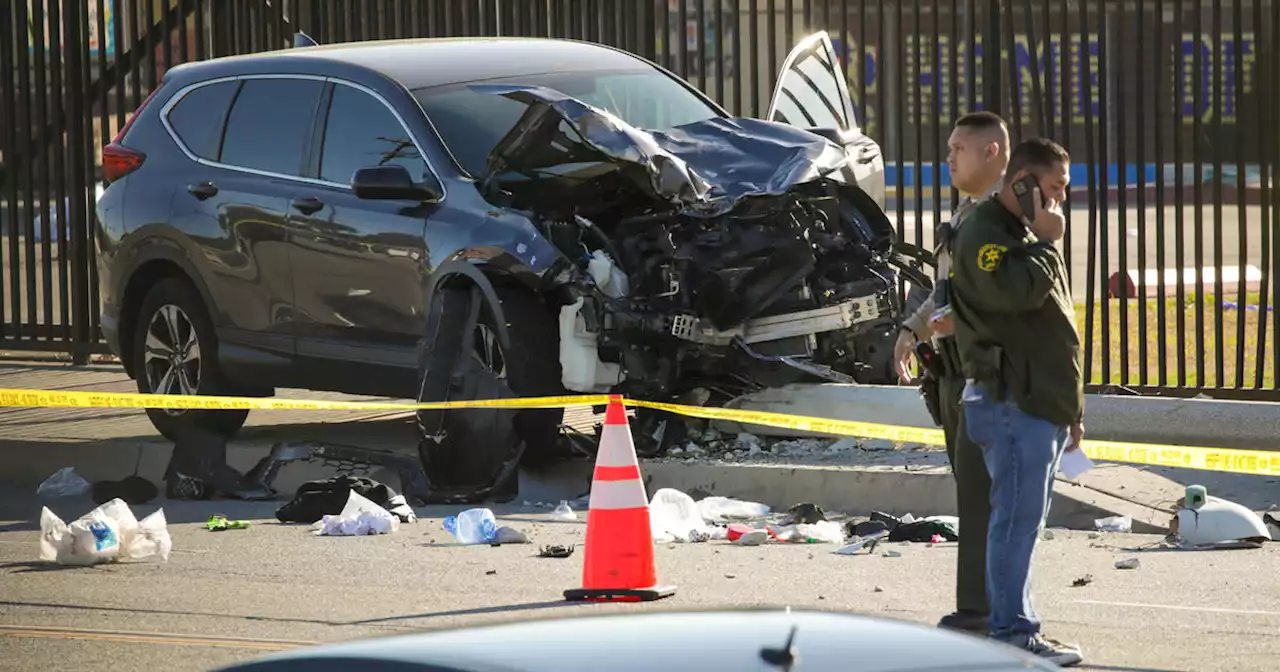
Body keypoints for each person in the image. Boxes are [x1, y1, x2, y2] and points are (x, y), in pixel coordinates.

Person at [947, 137, 1083, 667]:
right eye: (1053, 189)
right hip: (1010, 402)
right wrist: (1049, 243)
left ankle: (1017, 628)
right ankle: (1011, 634)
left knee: (1023, 524)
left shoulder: (1019, 233)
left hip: (1036, 401)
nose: (1059, 203)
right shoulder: (987, 233)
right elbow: (1016, 294)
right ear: (1022, 182)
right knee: (1014, 523)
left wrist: (1071, 409)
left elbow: (1053, 327)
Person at [893, 111, 1010, 635]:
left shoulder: (1007, 217)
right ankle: (977, 607)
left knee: (993, 501)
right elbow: (944, 290)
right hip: (952, 376)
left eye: (958, 148)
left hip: (989, 376)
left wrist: (945, 323)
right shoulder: (965, 216)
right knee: (973, 497)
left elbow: (999, 297)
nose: (948, 158)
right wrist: (912, 330)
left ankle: (988, 612)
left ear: (992, 152)